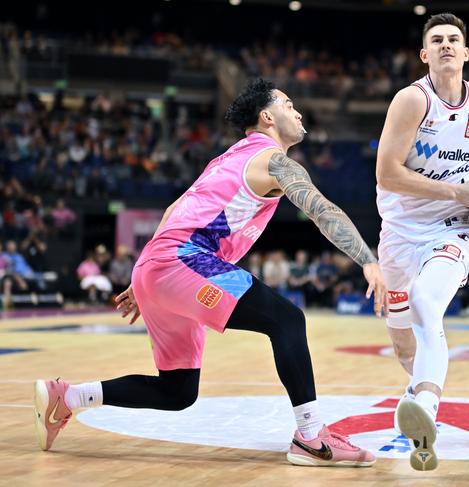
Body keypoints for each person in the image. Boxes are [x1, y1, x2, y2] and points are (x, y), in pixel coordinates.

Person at [34, 79, 389, 468]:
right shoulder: (274, 161)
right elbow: (322, 209)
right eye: (288, 104)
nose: (298, 111)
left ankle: (67, 397)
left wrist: (143, 279)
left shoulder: (226, 159)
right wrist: (367, 260)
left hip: (161, 265)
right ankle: (310, 436)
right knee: (287, 320)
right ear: (267, 117)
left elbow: (174, 209)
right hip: (184, 261)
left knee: (178, 391)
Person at [375, 13, 469, 470]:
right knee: (404, 347)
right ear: (424, 54)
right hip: (400, 230)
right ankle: (418, 395)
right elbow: (387, 174)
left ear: (466, 53)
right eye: (437, 40)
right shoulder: (411, 101)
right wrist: (461, 189)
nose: (447, 45)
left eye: (454, 39)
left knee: (425, 302)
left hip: (454, 226)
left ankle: (427, 407)